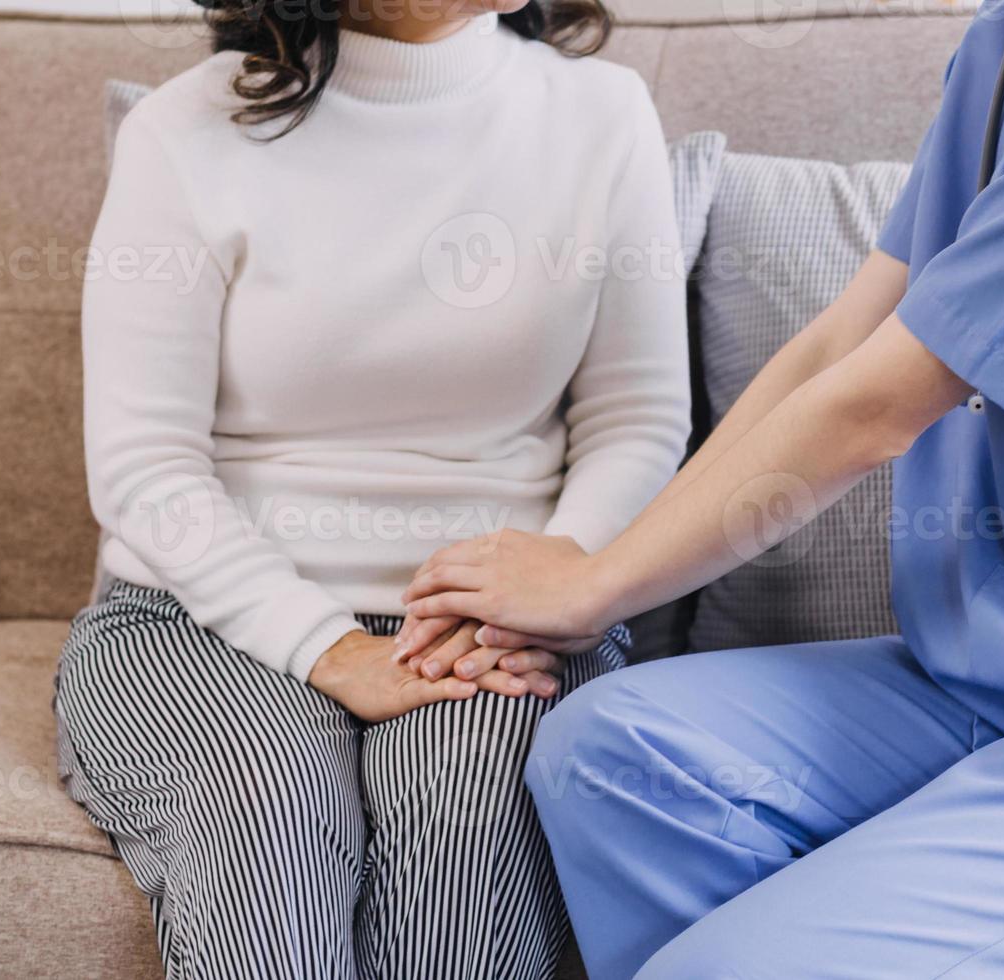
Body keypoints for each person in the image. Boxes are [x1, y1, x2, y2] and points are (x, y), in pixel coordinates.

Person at [399, 0, 1004, 973]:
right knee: (611, 754)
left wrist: (591, 590)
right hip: (1003, 677)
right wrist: (597, 574)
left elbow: (878, 406)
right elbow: (842, 345)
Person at [51, 0, 690, 976]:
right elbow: (144, 465)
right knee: (267, 795)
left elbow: (636, 417)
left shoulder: (602, 114)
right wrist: (329, 646)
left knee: (473, 809)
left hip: (501, 625)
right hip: (197, 617)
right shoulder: (184, 131)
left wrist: (549, 586)